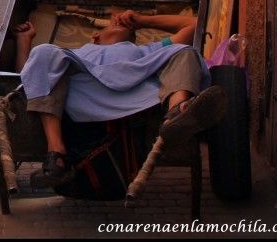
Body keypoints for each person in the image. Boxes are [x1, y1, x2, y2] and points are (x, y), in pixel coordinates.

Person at [13, 10, 226, 189]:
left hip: (137, 96)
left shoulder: (146, 50)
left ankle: (177, 114)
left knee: (184, 51)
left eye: (132, 31)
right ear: (95, 36)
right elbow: (29, 77)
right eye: (113, 23)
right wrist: (25, 41)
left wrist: (143, 20)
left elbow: (195, 24)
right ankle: (57, 154)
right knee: (43, 53)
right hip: (85, 93)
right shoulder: (80, 52)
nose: (118, 20)